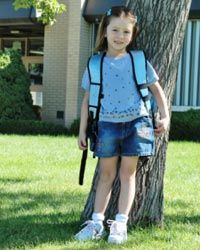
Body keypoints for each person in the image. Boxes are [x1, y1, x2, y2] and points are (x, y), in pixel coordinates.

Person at [75, 5, 169, 244]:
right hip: (106, 125)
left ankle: (119, 224)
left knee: (128, 175)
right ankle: (96, 223)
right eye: (115, 30)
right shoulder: (95, 64)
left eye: (126, 32)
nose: (120, 37)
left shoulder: (138, 61)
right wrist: (82, 130)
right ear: (104, 31)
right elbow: (87, 100)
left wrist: (165, 116)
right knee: (106, 175)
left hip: (137, 124)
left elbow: (157, 90)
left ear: (132, 34)